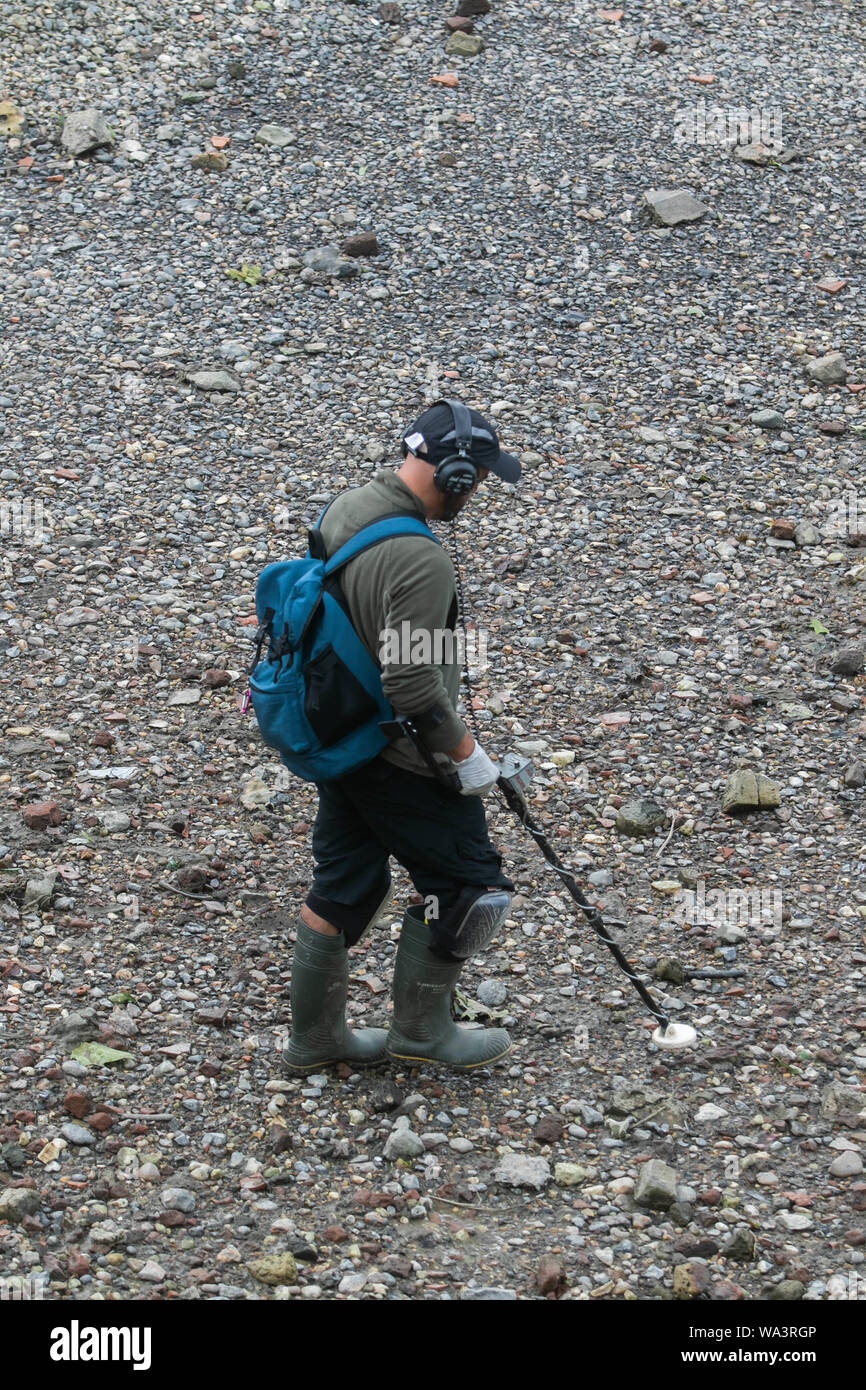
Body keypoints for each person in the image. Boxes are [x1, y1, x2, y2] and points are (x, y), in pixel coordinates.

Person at [282, 399, 521, 1073]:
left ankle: (315, 1041)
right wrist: (469, 759)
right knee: (473, 889)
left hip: (341, 739)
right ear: (453, 474)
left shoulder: (347, 508)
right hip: (398, 755)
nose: (476, 492)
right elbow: (412, 684)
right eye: (476, 478)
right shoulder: (420, 559)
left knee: (345, 884)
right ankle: (423, 1033)